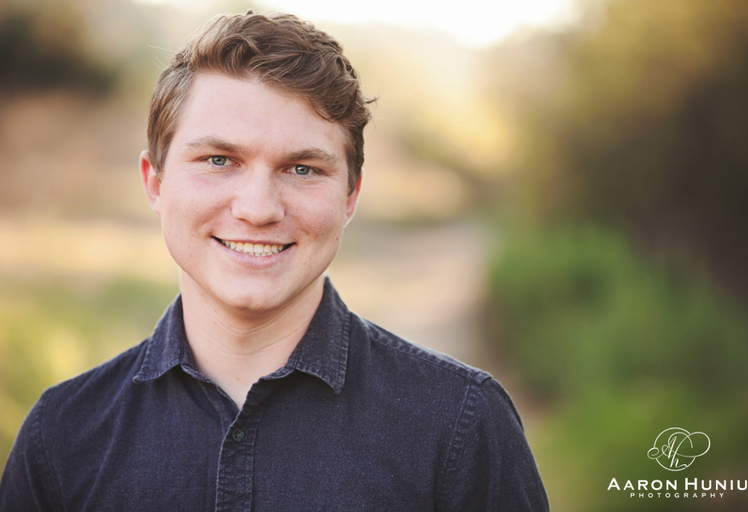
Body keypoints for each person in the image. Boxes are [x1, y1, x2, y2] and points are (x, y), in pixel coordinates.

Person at [0, 11, 548, 511]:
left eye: (302, 168)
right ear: (156, 182)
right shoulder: (60, 438)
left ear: (352, 194)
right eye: (219, 160)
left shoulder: (462, 424)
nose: (258, 209)